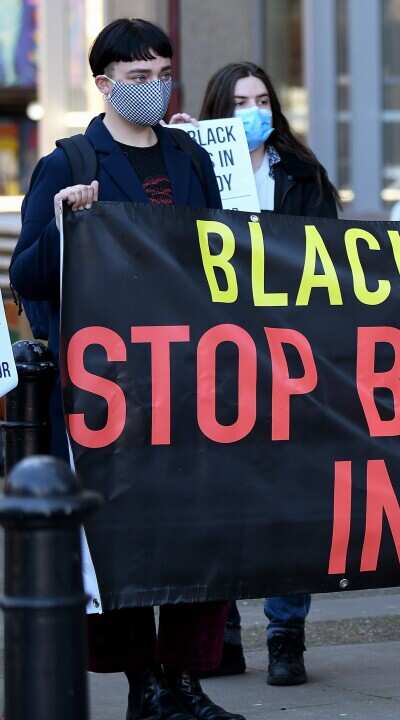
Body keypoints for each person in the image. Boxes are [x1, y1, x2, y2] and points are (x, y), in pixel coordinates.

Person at [11, 18, 243, 720]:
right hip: (110, 393)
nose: (154, 86)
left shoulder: (187, 156)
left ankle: (187, 679)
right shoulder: (70, 163)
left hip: (189, 380)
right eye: (138, 77)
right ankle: (145, 684)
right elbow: (29, 276)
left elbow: (220, 251)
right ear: (105, 82)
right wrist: (61, 223)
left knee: (195, 529)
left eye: (162, 73)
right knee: (118, 538)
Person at [173, 60, 340, 687]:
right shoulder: (188, 166)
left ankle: (285, 634)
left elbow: (328, 259)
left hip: (289, 352)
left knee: (291, 493)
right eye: (240, 100)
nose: (253, 110)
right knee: (222, 491)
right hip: (215, 354)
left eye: (262, 99)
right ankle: (224, 634)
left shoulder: (303, 175)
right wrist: (179, 149)